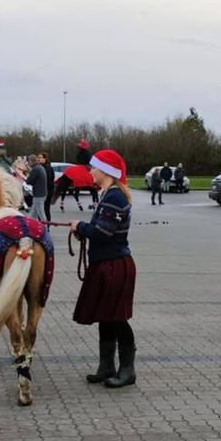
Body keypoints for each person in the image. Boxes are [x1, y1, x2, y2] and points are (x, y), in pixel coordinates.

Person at [69, 149, 137, 388]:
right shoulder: (108, 194)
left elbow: (103, 232)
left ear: (106, 171)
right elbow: (101, 231)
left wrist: (80, 226)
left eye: (93, 167)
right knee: (106, 317)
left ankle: (127, 370)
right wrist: (83, 231)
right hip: (106, 263)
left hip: (115, 265)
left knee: (117, 318)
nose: (90, 172)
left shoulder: (114, 197)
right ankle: (107, 366)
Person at [27, 154, 49, 221]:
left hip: (38, 195)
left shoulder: (36, 169)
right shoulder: (39, 167)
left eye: (28, 161)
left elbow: (29, 181)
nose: (28, 163)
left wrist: (22, 176)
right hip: (41, 194)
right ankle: (30, 227)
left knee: (41, 214)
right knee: (33, 215)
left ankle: (45, 229)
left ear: (31, 161)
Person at [40, 151, 55, 221]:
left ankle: (46, 226)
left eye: (40, 157)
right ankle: (44, 225)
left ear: (45, 158)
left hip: (46, 192)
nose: (38, 159)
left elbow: (47, 181)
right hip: (45, 192)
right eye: (38, 157)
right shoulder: (43, 167)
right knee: (43, 209)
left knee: (45, 209)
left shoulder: (47, 168)